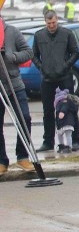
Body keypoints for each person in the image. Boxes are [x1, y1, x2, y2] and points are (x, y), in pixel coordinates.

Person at [32, 11, 79, 153]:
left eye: (53, 23)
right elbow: (34, 55)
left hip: (65, 77)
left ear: (57, 20)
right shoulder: (39, 35)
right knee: (47, 111)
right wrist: (41, 67)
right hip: (47, 78)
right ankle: (48, 141)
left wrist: (65, 65)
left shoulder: (67, 33)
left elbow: (76, 52)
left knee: (70, 108)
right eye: (48, 23)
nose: (51, 26)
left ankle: (75, 140)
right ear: (45, 22)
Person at [0, 18, 34, 174]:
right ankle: (2, 161)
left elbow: (28, 52)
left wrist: (12, 56)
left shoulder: (12, 31)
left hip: (14, 84)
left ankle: (22, 156)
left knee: (24, 117)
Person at [53, 87, 78, 155]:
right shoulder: (64, 102)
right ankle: (62, 145)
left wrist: (62, 112)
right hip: (63, 123)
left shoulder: (63, 102)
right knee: (61, 134)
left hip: (66, 122)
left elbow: (65, 107)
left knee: (67, 135)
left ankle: (68, 146)